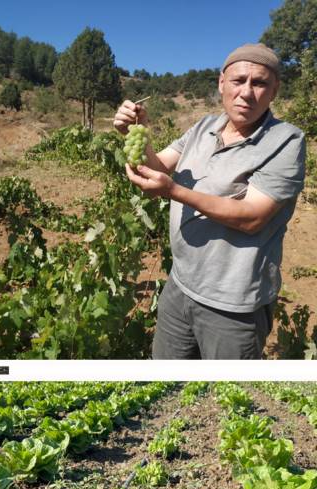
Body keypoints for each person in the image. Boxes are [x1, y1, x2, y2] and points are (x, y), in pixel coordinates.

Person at [115, 43, 306, 359]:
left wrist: (174, 191)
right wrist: (136, 132)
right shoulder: (203, 127)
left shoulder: (286, 141)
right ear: (221, 83)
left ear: (274, 91)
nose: (246, 92)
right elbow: (158, 166)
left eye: (259, 83)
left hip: (233, 305)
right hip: (179, 285)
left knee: (224, 396)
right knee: (167, 386)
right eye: (238, 80)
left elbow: (252, 217)